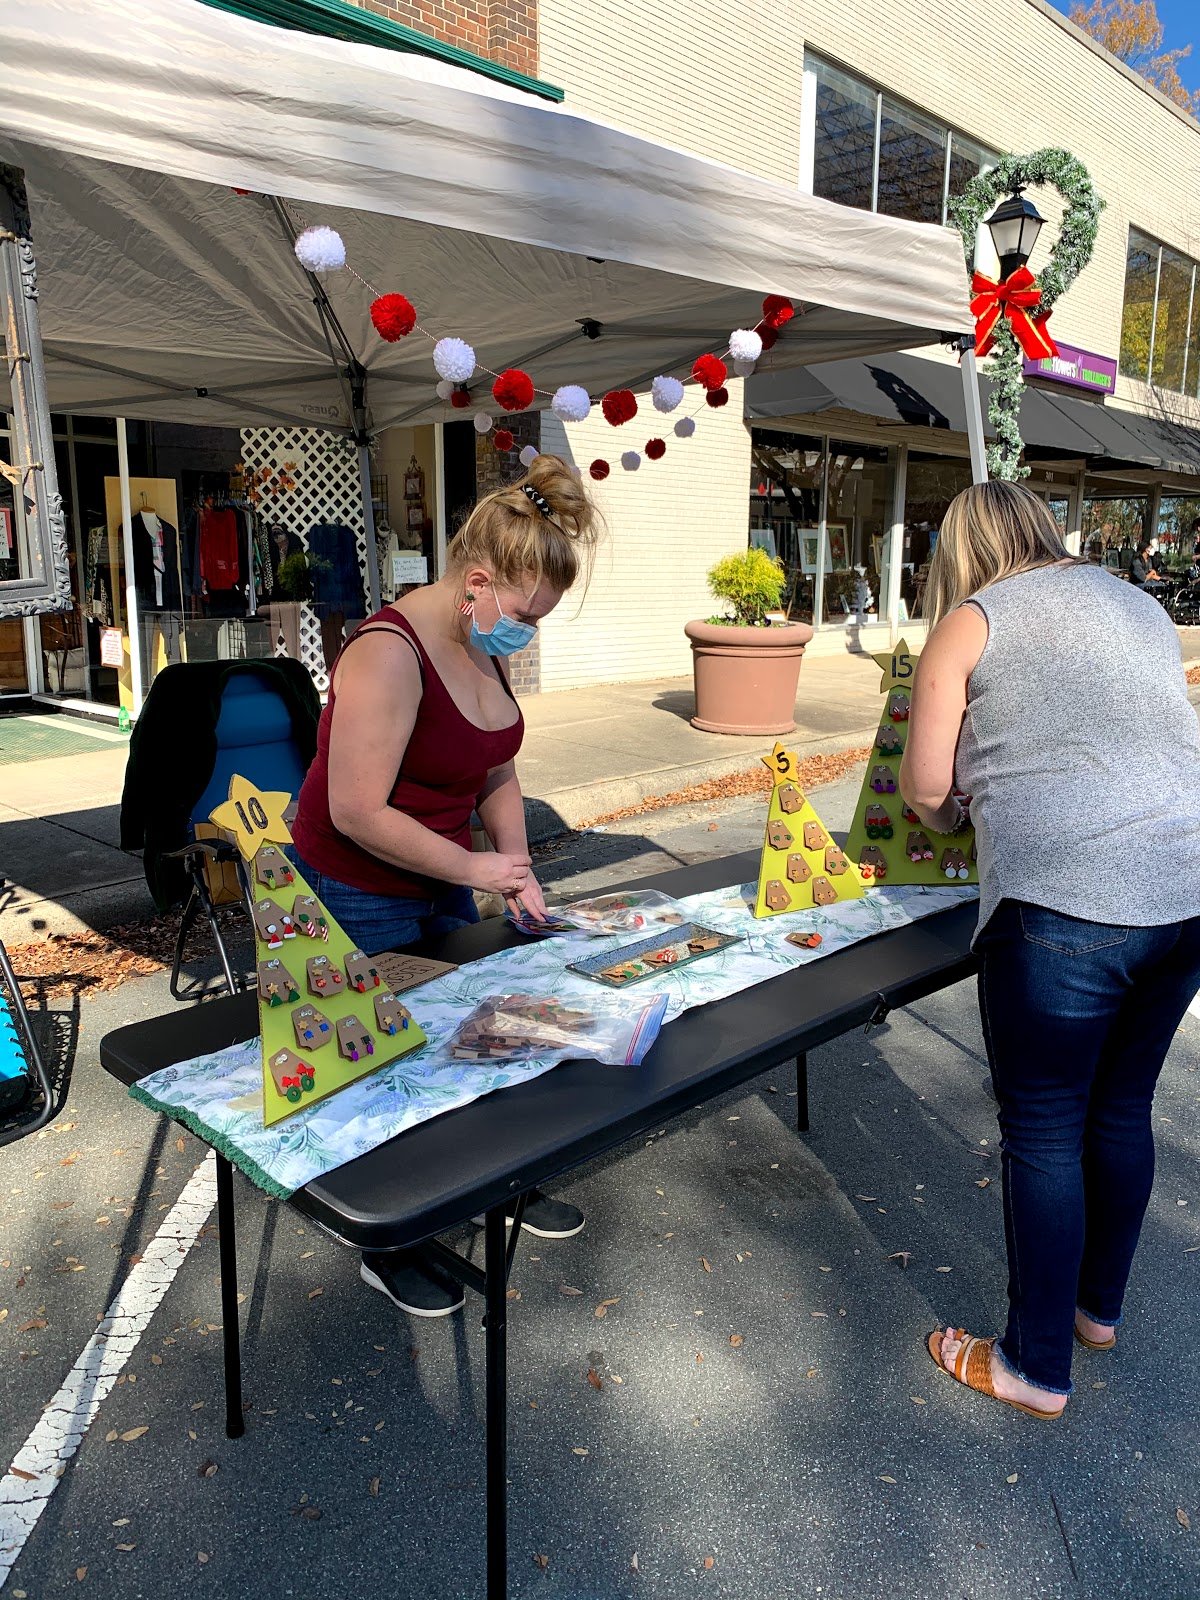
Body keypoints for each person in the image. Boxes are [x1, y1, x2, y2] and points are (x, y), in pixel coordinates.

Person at [899, 480, 1200, 1419]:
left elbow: (922, 791)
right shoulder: (1137, 601)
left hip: (1064, 904)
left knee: (1043, 1130)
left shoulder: (971, 620)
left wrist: (957, 814)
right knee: (1120, 1109)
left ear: (964, 550)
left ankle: (1032, 1366)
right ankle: (1095, 1310)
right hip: (1185, 889)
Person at [290, 453, 603, 1317]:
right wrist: (475, 868)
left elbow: (495, 767)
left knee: (474, 1033)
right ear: (476, 582)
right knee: (381, 1060)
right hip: (356, 882)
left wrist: (518, 869)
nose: (527, 633)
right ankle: (389, 1234)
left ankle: (493, 1182)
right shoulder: (386, 654)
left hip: (438, 874)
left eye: (540, 619)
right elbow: (355, 809)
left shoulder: (478, 636)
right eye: (524, 615)